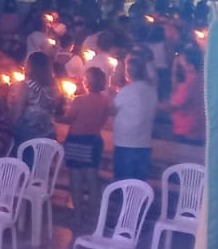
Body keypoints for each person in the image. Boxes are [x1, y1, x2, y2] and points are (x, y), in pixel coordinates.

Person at [59, 67, 111, 227]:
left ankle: (78, 215)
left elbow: (68, 119)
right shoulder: (104, 100)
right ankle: (93, 215)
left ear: (88, 82)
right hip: (94, 139)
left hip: (78, 140)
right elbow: (102, 120)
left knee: (76, 177)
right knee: (92, 176)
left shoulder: (80, 100)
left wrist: (60, 112)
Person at [111, 54, 157, 182]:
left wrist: (111, 88)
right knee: (139, 184)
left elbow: (113, 108)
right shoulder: (151, 91)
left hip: (125, 144)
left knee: (123, 182)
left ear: (128, 73)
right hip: (143, 144)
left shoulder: (128, 91)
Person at [11, 50, 58, 148]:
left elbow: (19, 109)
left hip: (27, 132)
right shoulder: (54, 86)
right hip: (48, 132)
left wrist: (11, 123)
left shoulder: (26, 85)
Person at [166, 48, 206, 144]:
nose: (178, 64)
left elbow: (172, 107)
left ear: (190, 66)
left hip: (186, 132)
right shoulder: (202, 78)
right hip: (199, 131)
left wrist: (153, 105)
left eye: (181, 62)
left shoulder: (188, 84)